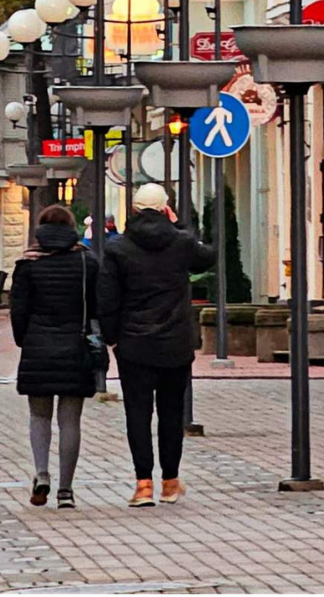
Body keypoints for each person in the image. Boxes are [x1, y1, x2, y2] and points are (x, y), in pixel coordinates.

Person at [99, 182, 214, 508]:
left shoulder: (118, 248)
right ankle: (170, 482)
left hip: (134, 343)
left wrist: (112, 337)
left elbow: (107, 297)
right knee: (171, 414)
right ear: (165, 208)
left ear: (134, 209)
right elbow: (207, 258)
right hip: (175, 342)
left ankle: (143, 485)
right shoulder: (181, 242)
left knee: (137, 414)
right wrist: (179, 226)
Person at [10, 205, 98, 510]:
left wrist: (24, 340)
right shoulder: (86, 261)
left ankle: (42, 472)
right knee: (70, 420)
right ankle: (66, 490)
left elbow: (18, 309)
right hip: (75, 346)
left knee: (39, 416)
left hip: (37, 346)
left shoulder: (28, 263)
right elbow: (96, 305)